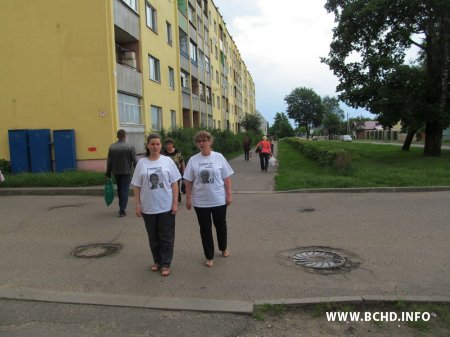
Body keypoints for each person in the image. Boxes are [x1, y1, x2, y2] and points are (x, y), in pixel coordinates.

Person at [131, 134, 181, 277]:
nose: (155, 147)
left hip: (165, 206)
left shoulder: (167, 161)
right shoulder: (141, 163)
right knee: (153, 237)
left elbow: (174, 183)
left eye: (158, 144)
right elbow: (137, 187)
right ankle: (157, 261)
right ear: (148, 146)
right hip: (148, 208)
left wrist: (175, 203)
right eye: (152, 144)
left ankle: (166, 263)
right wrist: (137, 205)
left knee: (166, 237)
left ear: (161, 146)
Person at [183, 131, 234, 268]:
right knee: (205, 229)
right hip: (201, 201)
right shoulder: (193, 160)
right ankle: (209, 256)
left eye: (204, 140)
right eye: (199, 141)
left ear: (210, 142)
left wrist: (228, 194)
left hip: (218, 199)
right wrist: (188, 198)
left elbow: (226, 177)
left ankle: (223, 247)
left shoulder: (219, 157)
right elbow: (188, 181)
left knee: (220, 225)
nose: (201, 143)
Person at [106, 129, 138, 217]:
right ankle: (122, 210)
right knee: (124, 190)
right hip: (127, 171)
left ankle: (121, 207)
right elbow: (135, 161)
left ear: (117, 136)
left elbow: (109, 161)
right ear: (125, 136)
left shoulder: (112, 147)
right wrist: (138, 172)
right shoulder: (130, 147)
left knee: (120, 189)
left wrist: (108, 173)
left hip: (116, 172)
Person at [162, 138, 185, 203]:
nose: (168, 145)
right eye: (167, 144)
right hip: (166, 172)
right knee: (167, 186)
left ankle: (177, 200)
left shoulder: (177, 152)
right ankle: (168, 199)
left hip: (177, 172)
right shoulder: (163, 153)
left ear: (172, 144)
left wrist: (184, 170)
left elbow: (182, 161)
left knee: (176, 186)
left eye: (170, 144)